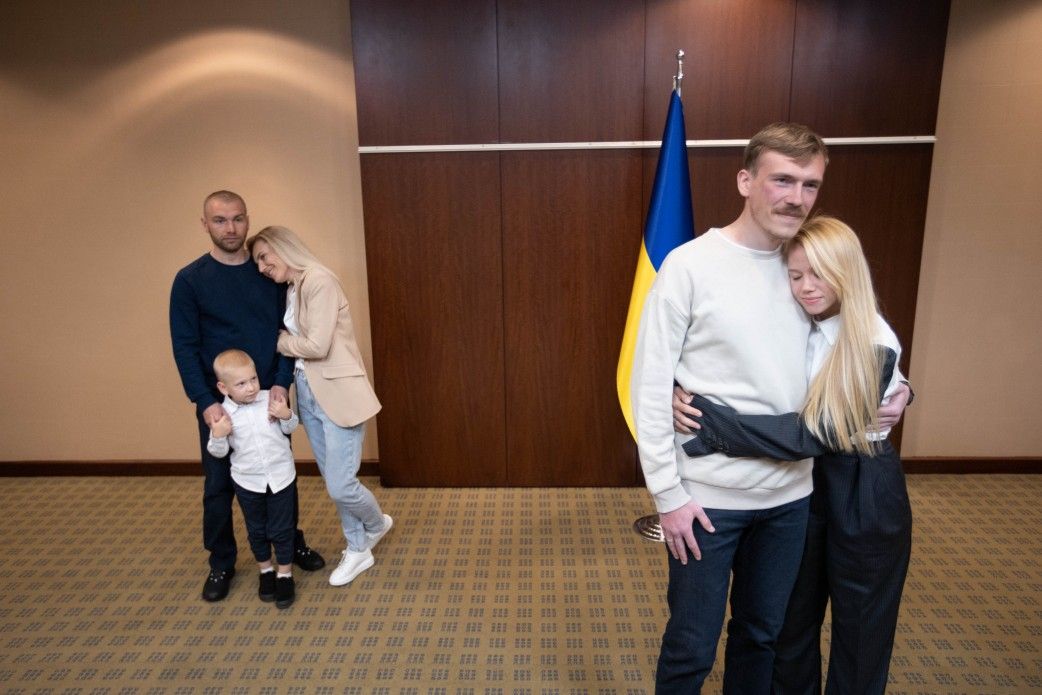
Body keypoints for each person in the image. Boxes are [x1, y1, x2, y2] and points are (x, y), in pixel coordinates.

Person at [629, 122, 910, 694]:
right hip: (706, 501)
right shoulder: (690, 265)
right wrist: (668, 496)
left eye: (810, 185)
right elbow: (649, 384)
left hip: (791, 501)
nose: (796, 198)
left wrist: (900, 383)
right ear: (745, 181)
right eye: (782, 180)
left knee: (762, 638)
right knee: (691, 646)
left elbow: (859, 332)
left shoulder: (809, 263)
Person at [675, 216, 913, 695]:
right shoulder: (804, 318)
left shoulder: (873, 338)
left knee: (861, 632)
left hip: (861, 482)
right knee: (790, 624)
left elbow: (813, 433)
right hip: (801, 483)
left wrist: (713, 425)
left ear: (847, 271)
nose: (806, 287)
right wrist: (672, 390)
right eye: (796, 274)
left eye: (819, 273)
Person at [170, 190, 326, 603]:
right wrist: (205, 402)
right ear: (205, 224)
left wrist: (281, 384)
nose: (231, 228)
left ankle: (290, 545)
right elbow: (185, 347)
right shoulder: (189, 281)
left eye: (238, 218)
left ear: (247, 220)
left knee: (279, 478)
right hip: (219, 402)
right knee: (219, 485)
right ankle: (221, 562)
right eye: (220, 220)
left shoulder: (266, 273)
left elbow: (286, 333)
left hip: (267, 395)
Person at [247, 225, 392, 587]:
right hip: (309, 393)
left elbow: (317, 346)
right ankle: (358, 547)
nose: (262, 267)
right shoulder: (293, 288)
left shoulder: (319, 280)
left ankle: (376, 524)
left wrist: (276, 340)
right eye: (257, 262)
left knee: (340, 485)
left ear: (283, 247)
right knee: (334, 480)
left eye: (264, 257)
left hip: (338, 393)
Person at [207, 349, 301, 609]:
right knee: (257, 530)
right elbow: (219, 452)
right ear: (223, 388)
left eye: (253, 379)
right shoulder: (223, 415)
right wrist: (218, 435)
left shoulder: (270, 399)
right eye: (241, 384)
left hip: (281, 478)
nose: (250, 387)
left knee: (282, 529)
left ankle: (285, 574)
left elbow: (291, 427)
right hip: (248, 483)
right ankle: (266, 571)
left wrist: (286, 415)